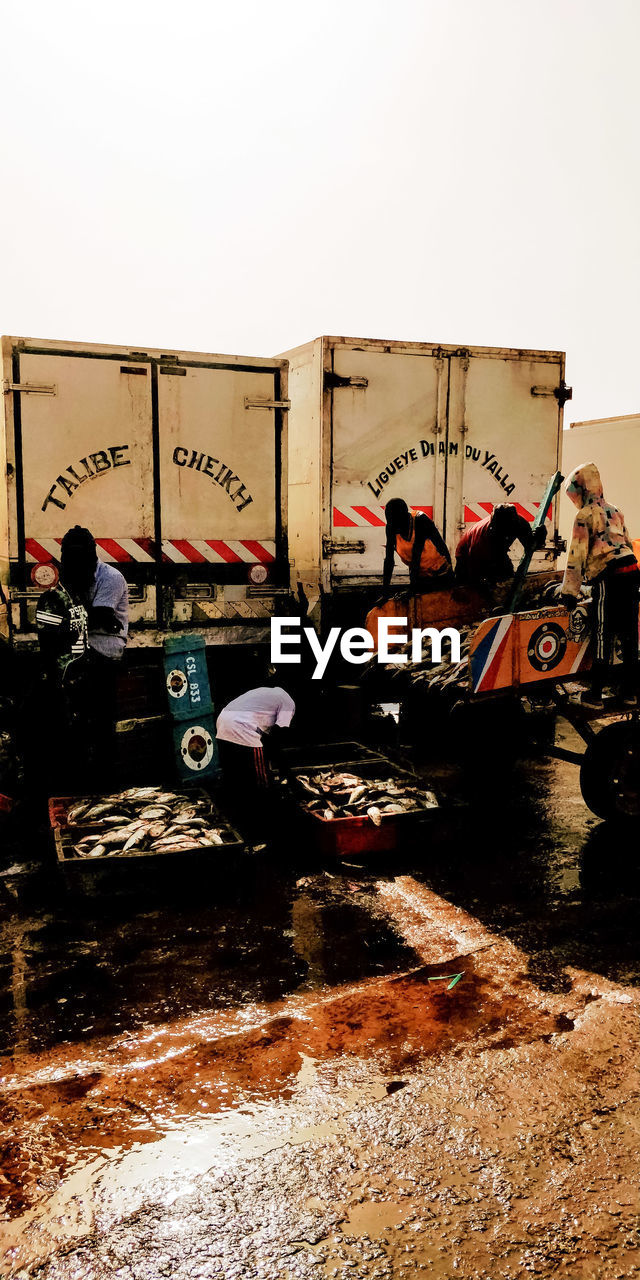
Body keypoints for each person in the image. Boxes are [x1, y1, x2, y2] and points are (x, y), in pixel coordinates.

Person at [36, 526, 129, 783]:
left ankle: (102, 776)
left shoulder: (110, 577)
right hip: (76, 653)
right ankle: (73, 773)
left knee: (99, 720)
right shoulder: (70, 574)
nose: (72, 562)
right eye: (68, 557)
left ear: (92, 554)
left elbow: (97, 617)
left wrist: (65, 622)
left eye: (79, 556)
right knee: (66, 718)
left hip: (102, 652)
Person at [560, 462, 639, 710]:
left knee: (602, 633)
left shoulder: (584, 515)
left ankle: (594, 695)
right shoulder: (615, 510)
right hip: (632, 572)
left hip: (609, 576)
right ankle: (630, 693)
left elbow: (577, 555)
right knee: (629, 635)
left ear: (580, 490)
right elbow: (627, 541)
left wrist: (569, 593)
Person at [216, 677, 295, 843]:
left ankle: (234, 820)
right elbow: (278, 738)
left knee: (236, 776)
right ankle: (261, 830)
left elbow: (268, 739)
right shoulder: (288, 703)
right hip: (242, 729)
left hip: (223, 724)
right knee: (261, 782)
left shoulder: (266, 695)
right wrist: (287, 773)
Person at [455, 503, 544, 588]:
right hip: (466, 556)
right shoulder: (483, 537)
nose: (507, 532)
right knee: (469, 589)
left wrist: (540, 538)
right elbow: (474, 568)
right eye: (502, 530)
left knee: (507, 577)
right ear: (494, 526)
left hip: (497, 549)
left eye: (508, 528)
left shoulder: (519, 523)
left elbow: (530, 545)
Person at [383, 499, 453, 597]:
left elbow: (416, 554)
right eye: (390, 523)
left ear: (404, 517)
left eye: (395, 523)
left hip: (441, 574)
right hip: (422, 576)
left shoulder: (420, 520)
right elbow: (389, 560)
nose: (394, 527)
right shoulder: (391, 527)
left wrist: (412, 589)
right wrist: (385, 592)